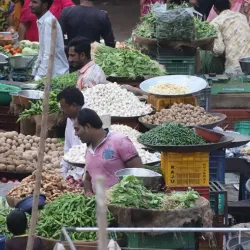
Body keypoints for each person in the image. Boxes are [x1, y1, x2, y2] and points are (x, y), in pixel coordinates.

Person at [74, 108, 143, 196]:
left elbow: (139, 172)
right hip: (100, 206)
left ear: (87, 126)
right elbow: (87, 179)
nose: (75, 134)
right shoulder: (89, 150)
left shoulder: (119, 140)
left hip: (122, 203)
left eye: (77, 129)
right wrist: (88, 192)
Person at [30, 0, 69, 81]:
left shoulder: (48, 21)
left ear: (44, 5)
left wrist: (39, 77)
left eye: (35, 2)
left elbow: (48, 53)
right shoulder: (43, 20)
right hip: (51, 74)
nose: (30, 5)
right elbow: (42, 51)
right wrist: (34, 73)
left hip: (57, 75)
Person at [210, 0, 250, 75]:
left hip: (234, 67)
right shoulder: (242, 17)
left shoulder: (216, 22)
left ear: (215, 9)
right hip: (248, 62)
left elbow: (218, 50)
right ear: (230, 5)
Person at [57, 86, 84, 180]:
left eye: (63, 107)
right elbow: (68, 148)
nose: (62, 110)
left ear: (73, 106)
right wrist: (63, 171)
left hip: (86, 175)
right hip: (75, 174)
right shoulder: (70, 119)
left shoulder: (88, 120)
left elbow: (87, 153)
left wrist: (77, 177)